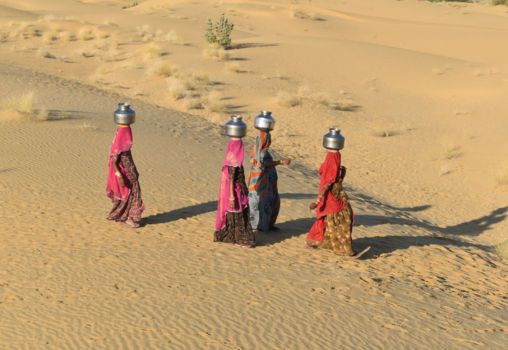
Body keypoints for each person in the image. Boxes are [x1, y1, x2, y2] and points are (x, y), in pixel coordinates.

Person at [306, 150, 356, 256]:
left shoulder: (333, 160)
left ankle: (321, 242)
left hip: (336, 199)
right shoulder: (331, 169)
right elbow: (326, 186)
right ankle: (343, 249)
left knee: (333, 222)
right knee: (342, 222)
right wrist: (317, 202)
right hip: (333, 202)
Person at [214, 136, 255, 247]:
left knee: (235, 214)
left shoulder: (229, 159)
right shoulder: (233, 163)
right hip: (234, 192)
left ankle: (232, 236)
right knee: (238, 213)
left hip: (233, 190)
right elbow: (232, 178)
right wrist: (232, 196)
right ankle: (242, 239)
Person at [248, 130, 290, 231]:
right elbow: (264, 164)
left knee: (269, 203)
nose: (269, 141)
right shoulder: (261, 153)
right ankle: (261, 226)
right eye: (268, 139)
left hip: (266, 183)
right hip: (262, 184)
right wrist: (280, 162)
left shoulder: (261, 151)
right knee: (262, 204)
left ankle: (265, 225)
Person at [106, 124, 144, 228]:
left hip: (130, 173)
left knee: (132, 194)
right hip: (125, 174)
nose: (130, 138)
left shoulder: (123, 146)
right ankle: (128, 218)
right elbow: (114, 161)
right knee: (130, 195)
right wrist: (119, 176)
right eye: (128, 135)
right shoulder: (118, 146)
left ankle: (123, 217)